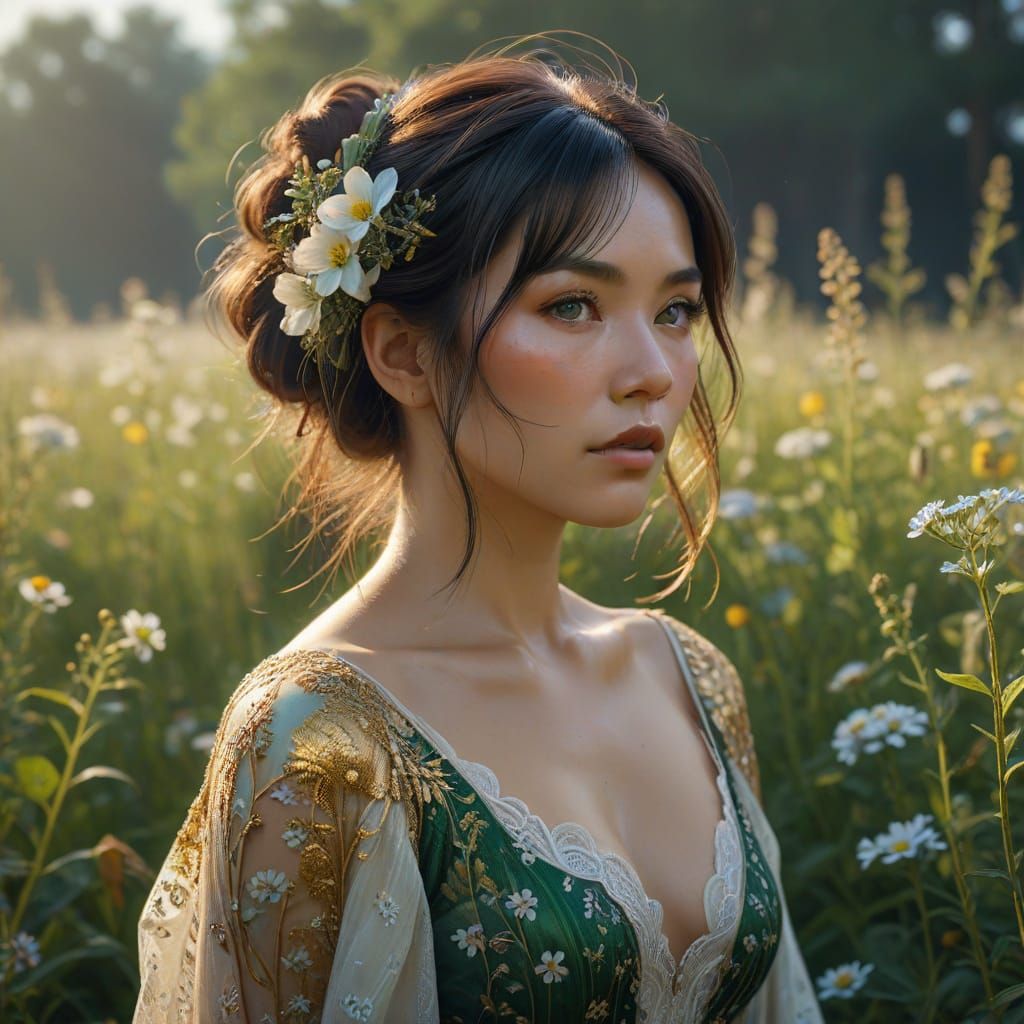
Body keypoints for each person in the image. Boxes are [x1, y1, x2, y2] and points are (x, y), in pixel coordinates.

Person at [132, 35, 823, 1024]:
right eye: (573, 305)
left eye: (676, 311)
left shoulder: (688, 678)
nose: (654, 372)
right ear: (405, 354)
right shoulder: (321, 738)